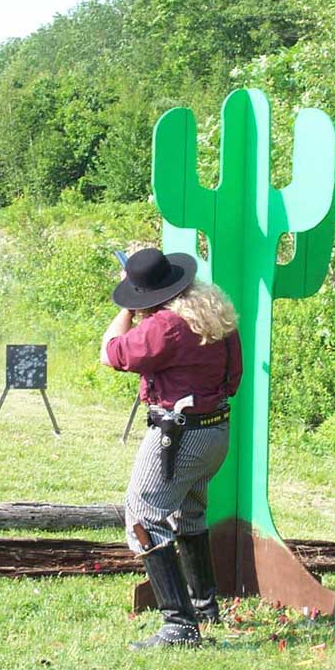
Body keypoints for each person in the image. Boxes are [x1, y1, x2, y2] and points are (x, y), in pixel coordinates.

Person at [100, 248, 242, 648]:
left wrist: (126, 307)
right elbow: (235, 377)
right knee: (189, 514)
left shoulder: (165, 325)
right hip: (215, 431)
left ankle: (179, 626)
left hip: (177, 435)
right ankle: (203, 607)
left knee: (143, 515)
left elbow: (110, 352)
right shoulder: (215, 316)